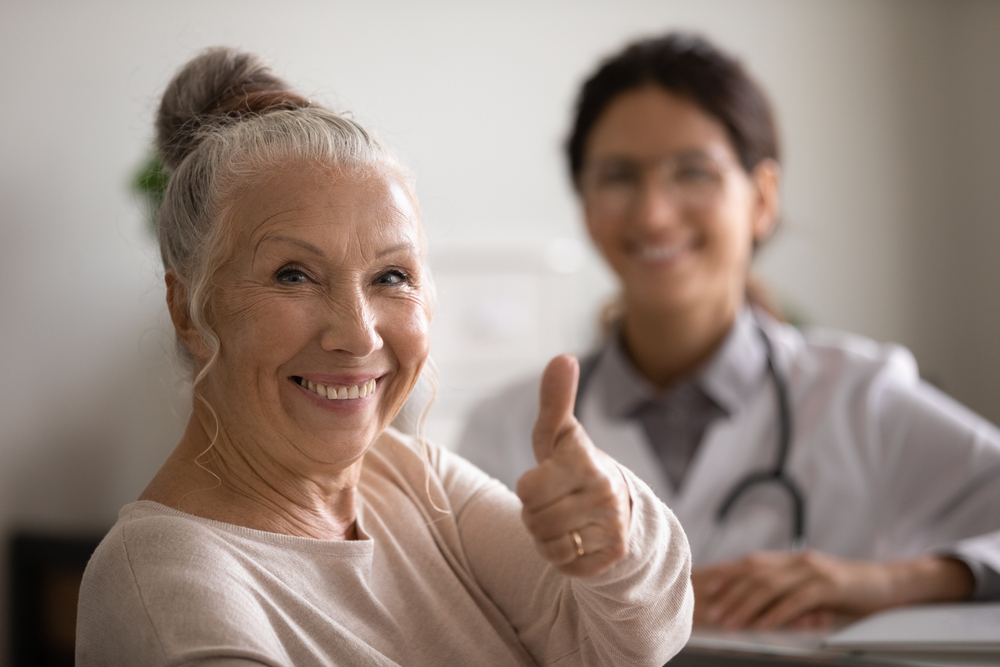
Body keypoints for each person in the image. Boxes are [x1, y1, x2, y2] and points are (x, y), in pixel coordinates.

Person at [75, 47, 693, 665]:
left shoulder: (414, 479)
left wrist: (618, 537)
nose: (360, 335)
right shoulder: (166, 585)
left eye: (391, 276)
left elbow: (625, 645)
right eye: (294, 275)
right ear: (188, 310)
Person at [456, 33, 1000, 630]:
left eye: (693, 172)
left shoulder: (860, 398)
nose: (654, 213)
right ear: (585, 206)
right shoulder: (501, 431)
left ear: (762, 198)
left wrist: (884, 583)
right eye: (618, 177)